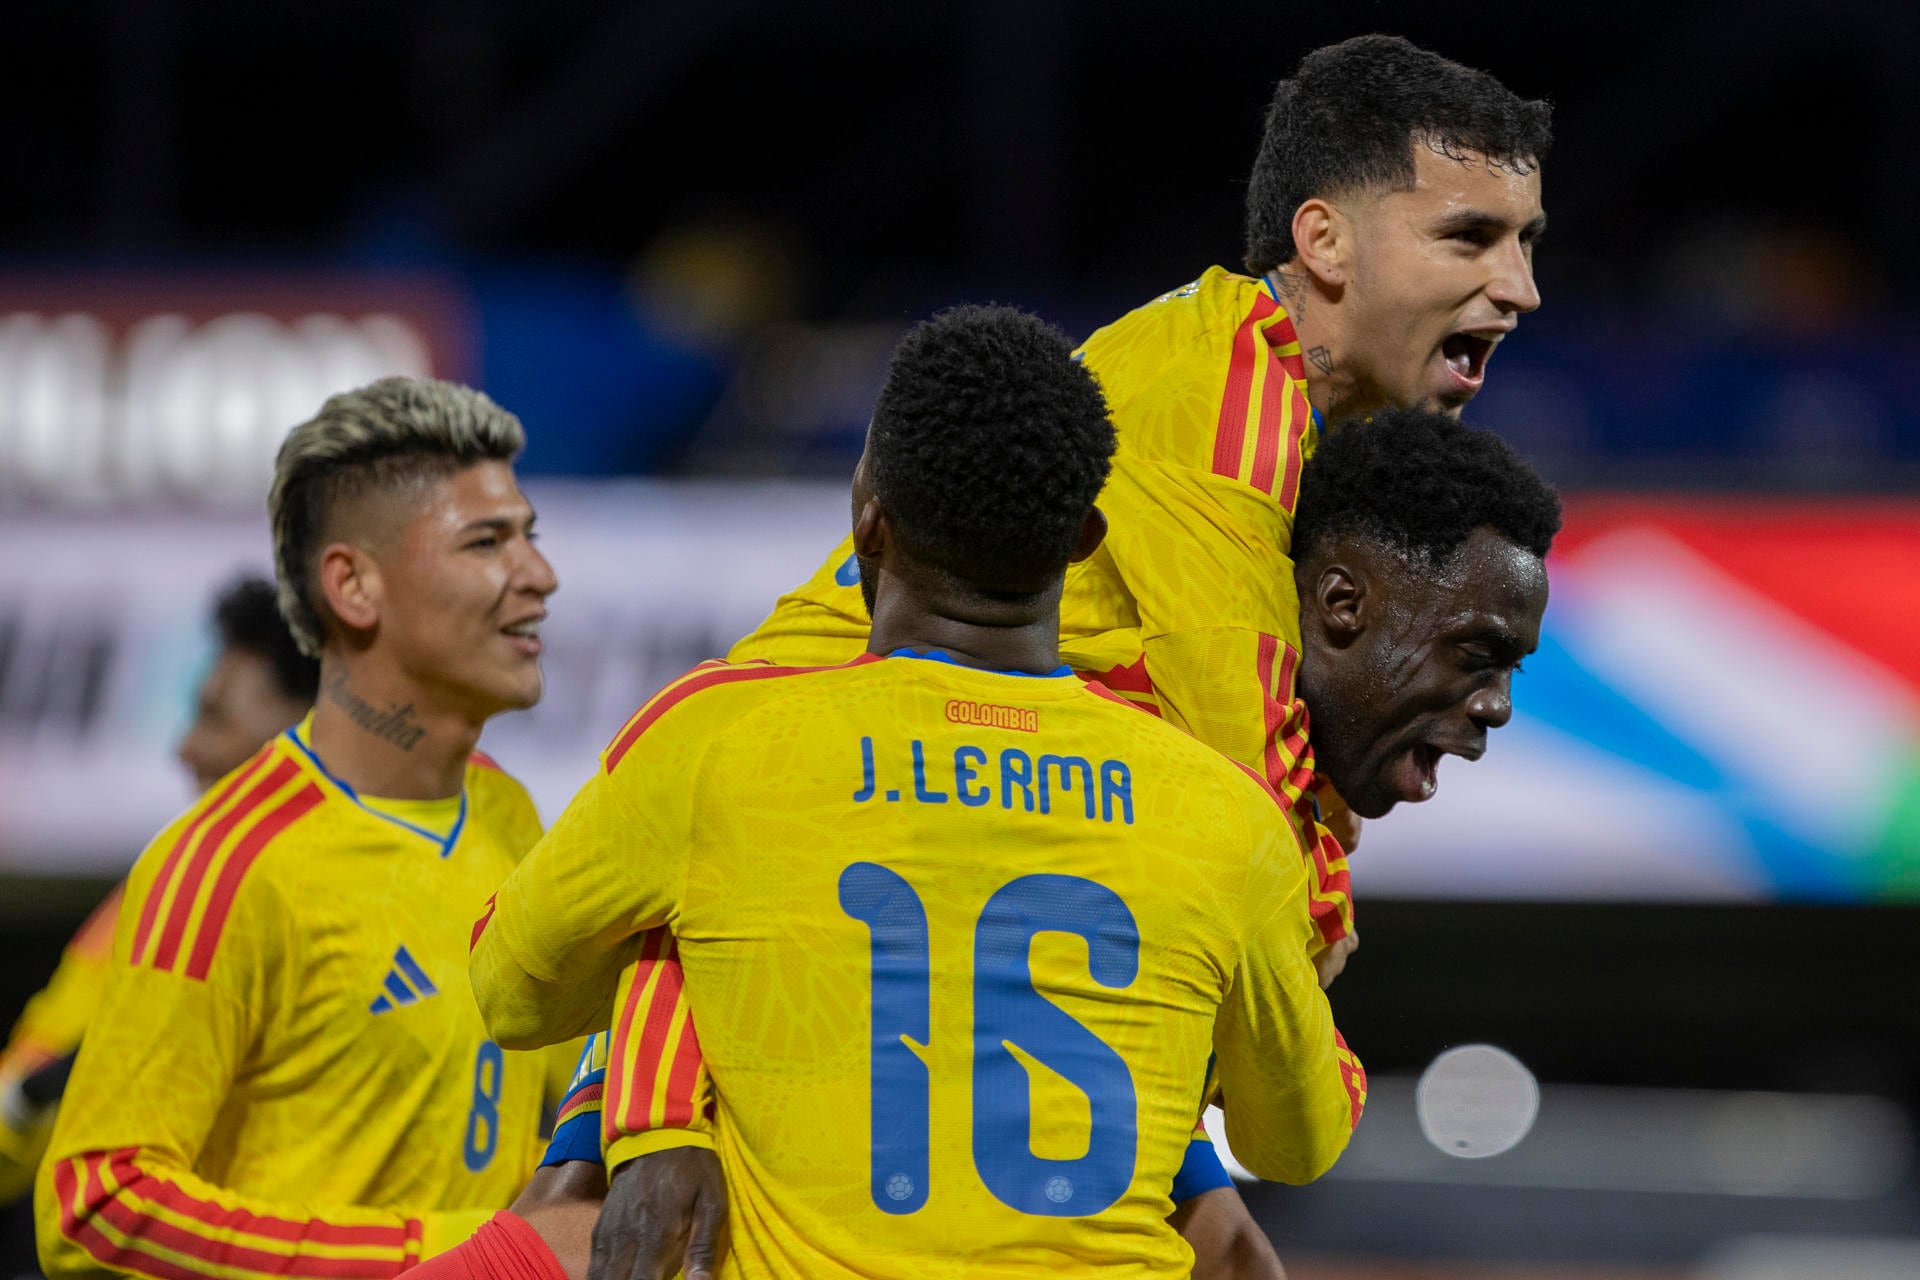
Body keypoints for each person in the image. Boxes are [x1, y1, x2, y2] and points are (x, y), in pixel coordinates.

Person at [593, 32, 1553, 1280]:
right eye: (1472, 237)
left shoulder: (1255, 393)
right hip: (758, 860)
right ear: (1324, 243)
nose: (1521, 284)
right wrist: (652, 1115)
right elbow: (1250, 848)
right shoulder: (1221, 433)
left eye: (1527, 240)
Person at [468, 305, 1366, 1280]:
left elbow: (511, 988)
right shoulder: (1222, 811)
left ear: (867, 516)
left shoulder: (717, 740)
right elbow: (1297, 1141)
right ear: (1084, 538)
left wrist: (663, 1079)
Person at [35, 377, 573, 1280]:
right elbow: (95, 1205)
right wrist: (446, 1253)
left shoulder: (512, 814)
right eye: (487, 541)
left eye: (530, 535)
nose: (539, 575)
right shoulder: (226, 865)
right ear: (353, 585)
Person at [0, 578, 317, 1208]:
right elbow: (22, 1090)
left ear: (313, 731)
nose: (185, 748)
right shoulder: (156, 895)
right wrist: (48, 1087)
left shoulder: (471, 879)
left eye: (216, 716)